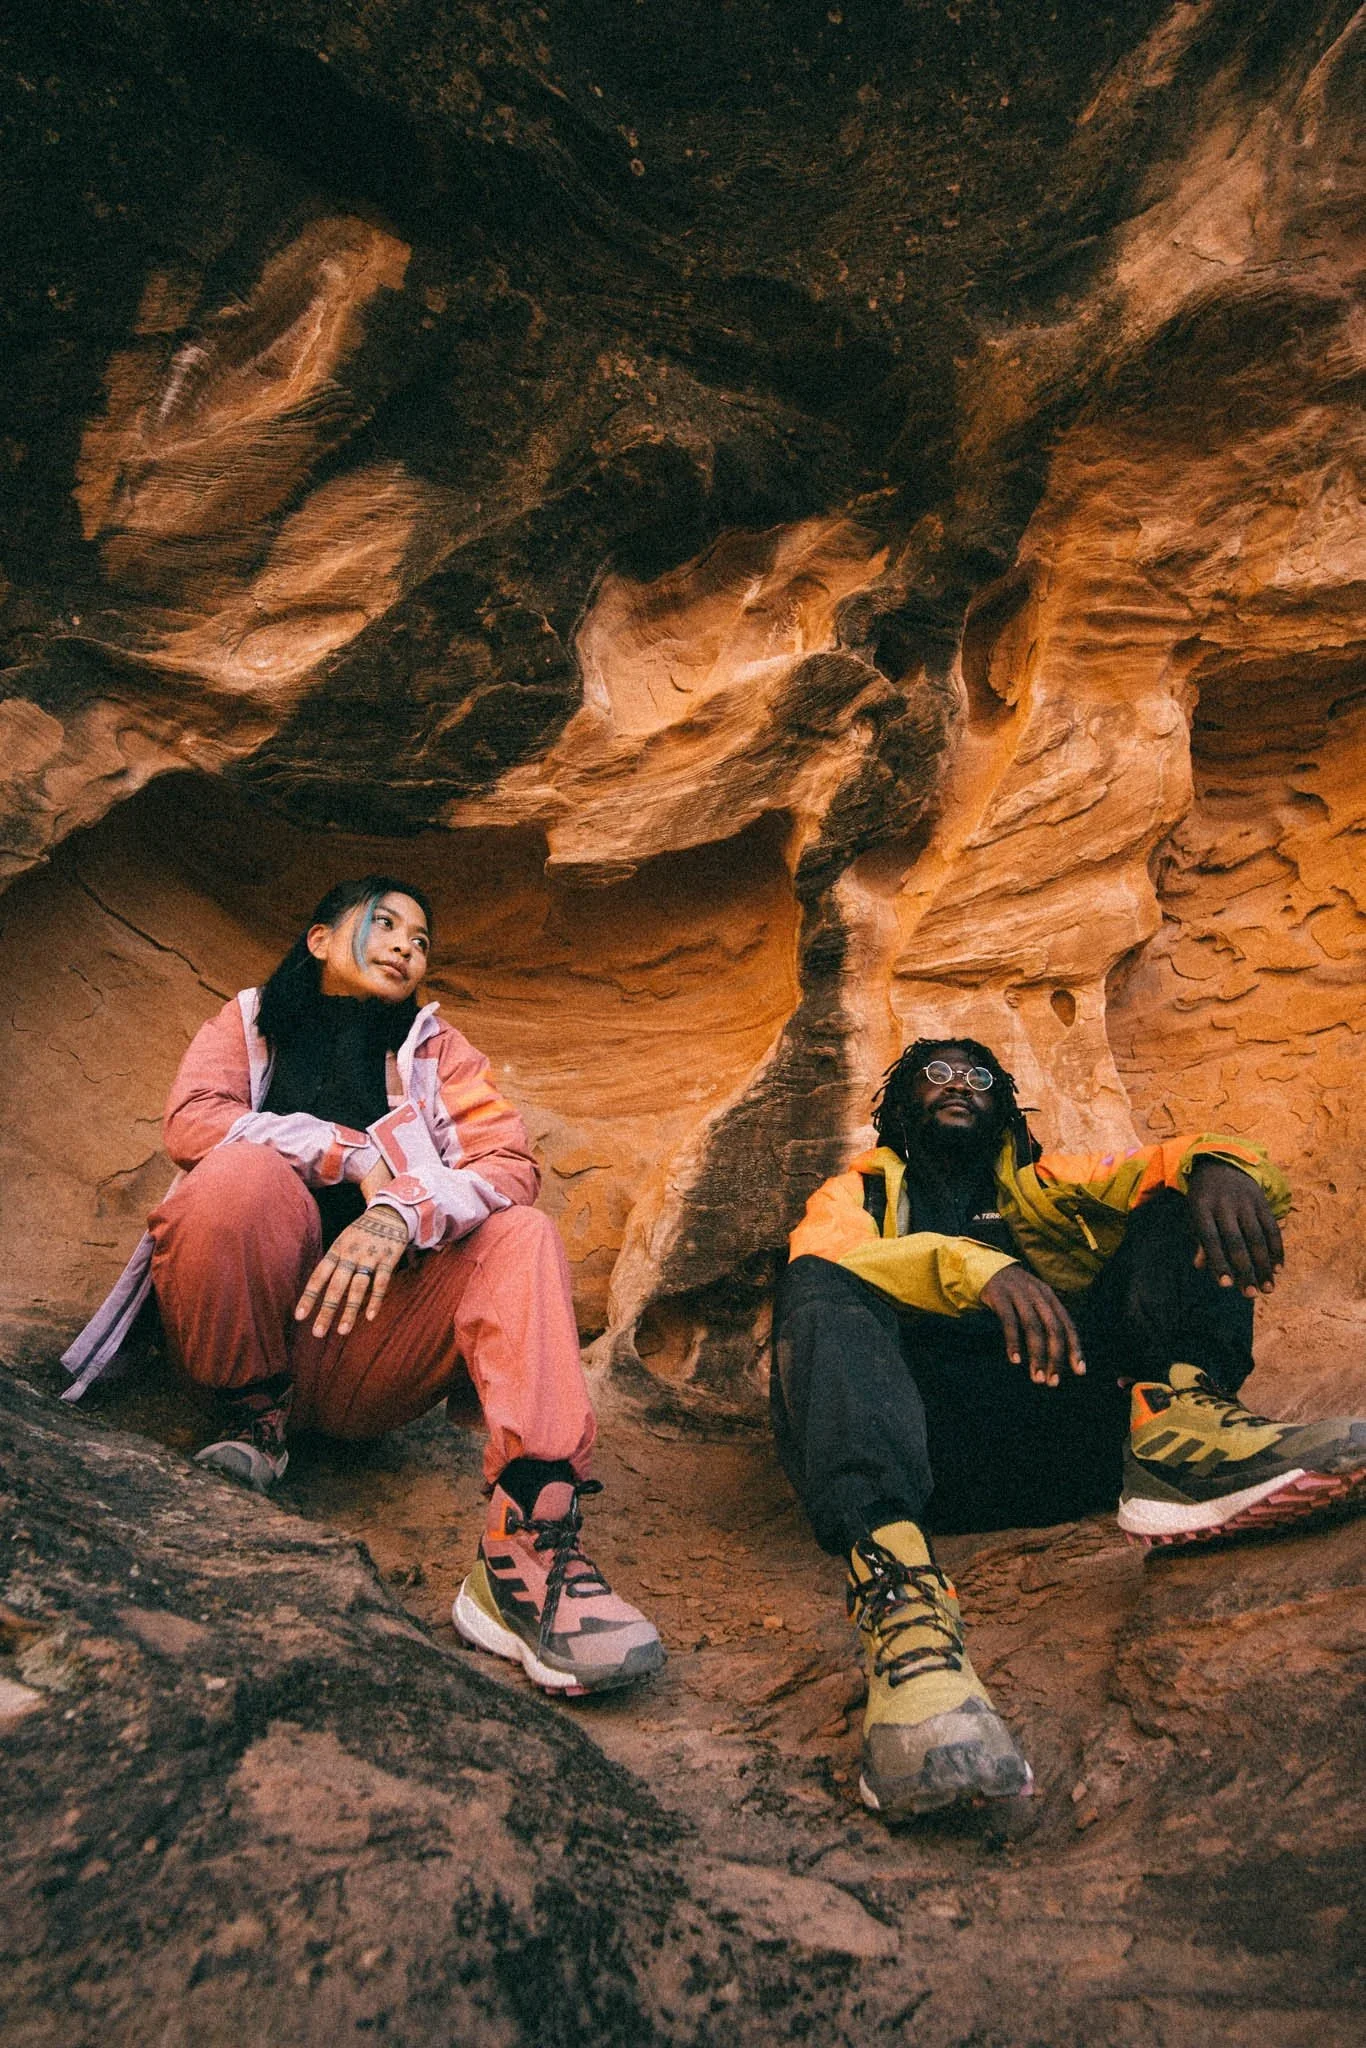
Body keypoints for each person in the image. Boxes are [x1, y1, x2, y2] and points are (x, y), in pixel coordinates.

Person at [61, 876, 664, 1699]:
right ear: (318, 939)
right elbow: (194, 1120)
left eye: (420, 940)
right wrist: (340, 1152)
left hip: (367, 1357)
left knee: (521, 1233)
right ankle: (252, 1419)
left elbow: (508, 1165)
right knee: (240, 1177)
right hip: (246, 1332)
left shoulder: (437, 1052)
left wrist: (400, 1211)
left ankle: (528, 1542)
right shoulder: (248, 1022)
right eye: (385, 925)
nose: (406, 947)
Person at [772, 1037, 1366, 1821]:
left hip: (1082, 1441)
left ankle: (1180, 1430)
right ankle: (901, 1602)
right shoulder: (860, 1195)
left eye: (979, 1076)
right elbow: (831, 1251)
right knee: (817, 1282)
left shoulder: (1048, 1187)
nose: (959, 1086)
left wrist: (1219, 1164)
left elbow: (1164, 1158)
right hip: (927, 1459)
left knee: (1181, 1194)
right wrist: (979, 1270)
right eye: (936, 1075)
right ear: (899, 1107)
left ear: (1005, 1110)